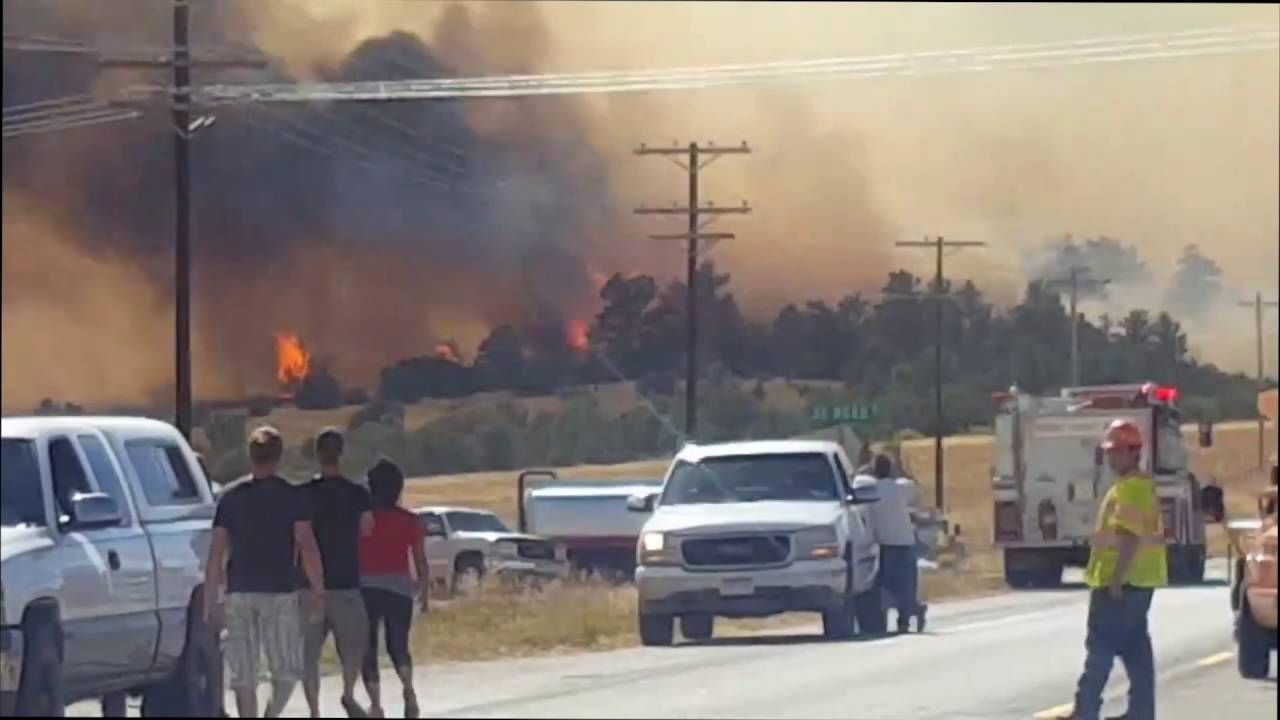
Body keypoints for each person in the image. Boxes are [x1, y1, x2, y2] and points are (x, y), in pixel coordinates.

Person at [205, 426, 326, 719]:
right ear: (279, 456)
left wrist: (212, 599)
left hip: (239, 592)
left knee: (243, 673)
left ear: (250, 456)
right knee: (286, 670)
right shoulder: (292, 496)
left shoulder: (231, 498)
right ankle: (271, 713)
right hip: (279, 592)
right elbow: (307, 544)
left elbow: (216, 552)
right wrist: (318, 587)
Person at [1057, 419, 1167, 720]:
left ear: (1134, 452)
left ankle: (1085, 710)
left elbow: (1130, 537)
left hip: (1122, 583)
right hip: (1138, 582)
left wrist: (1116, 579)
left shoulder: (1131, 490)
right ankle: (1141, 712)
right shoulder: (1136, 487)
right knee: (1135, 649)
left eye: (1116, 452)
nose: (1111, 458)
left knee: (1101, 647)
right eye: (1108, 452)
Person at [301, 428, 375, 719]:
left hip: (311, 585)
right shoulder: (357, 494)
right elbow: (367, 529)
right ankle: (347, 693)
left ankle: (314, 710)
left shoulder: (304, 494)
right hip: (346, 581)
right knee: (354, 646)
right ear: (341, 453)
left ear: (317, 454)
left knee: (309, 654)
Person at [358, 459, 431, 719]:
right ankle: (408, 690)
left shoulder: (363, 521)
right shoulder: (411, 521)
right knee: (398, 645)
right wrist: (424, 594)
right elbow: (420, 560)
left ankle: (376, 705)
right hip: (399, 588)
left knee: (367, 649)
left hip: (366, 588)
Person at [860, 454, 927, 634]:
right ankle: (909, 615)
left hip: (883, 544)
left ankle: (895, 616)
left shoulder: (870, 490)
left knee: (884, 585)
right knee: (905, 586)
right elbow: (915, 488)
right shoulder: (900, 488)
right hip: (904, 542)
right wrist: (901, 471)